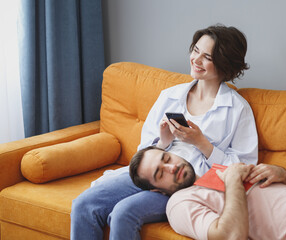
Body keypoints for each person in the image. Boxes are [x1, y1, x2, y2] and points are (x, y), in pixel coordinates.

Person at [71, 24, 258, 240]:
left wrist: (203, 144)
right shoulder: (170, 95)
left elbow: (244, 167)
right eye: (195, 50)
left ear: (224, 64)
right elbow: (143, 152)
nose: (196, 60)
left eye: (207, 56)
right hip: (150, 172)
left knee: (123, 213)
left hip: (185, 183)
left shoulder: (237, 109)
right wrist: (163, 142)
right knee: (84, 205)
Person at [129, 146, 286, 240]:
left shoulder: (216, 172)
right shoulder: (179, 203)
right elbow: (230, 236)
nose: (171, 167)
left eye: (167, 159)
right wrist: (233, 179)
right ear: (157, 189)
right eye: (160, 173)